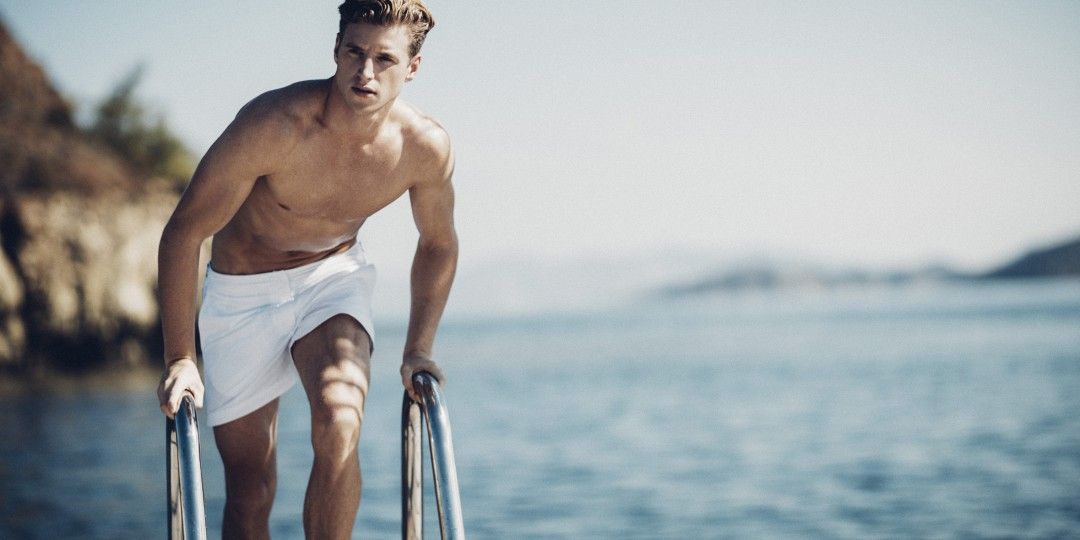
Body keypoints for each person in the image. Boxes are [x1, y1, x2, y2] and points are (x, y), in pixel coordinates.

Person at [155, 0, 456, 537]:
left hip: (330, 280)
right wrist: (181, 356)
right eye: (354, 53)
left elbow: (437, 243)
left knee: (342, 419)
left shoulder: (423, 148)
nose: (365, 72)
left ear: (412, 68)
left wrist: (418, 348)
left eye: (384, 59)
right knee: (251, 488)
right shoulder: (276, 124)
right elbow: (185, 231)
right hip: (241, 292)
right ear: (335, 52)